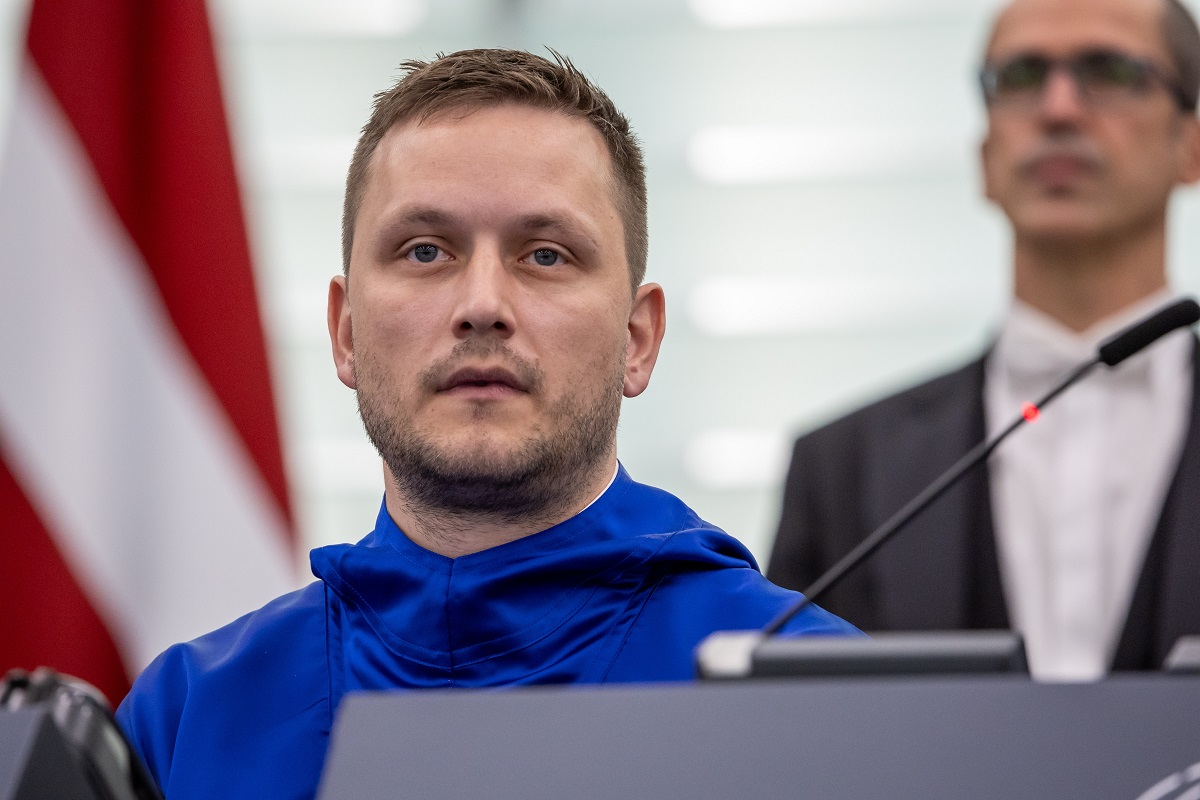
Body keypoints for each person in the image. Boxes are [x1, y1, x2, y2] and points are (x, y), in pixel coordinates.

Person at [115, 49, 858, 799]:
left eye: (546, 255)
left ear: (637, 340)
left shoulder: (829, 710)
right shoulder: (182, 721)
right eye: (425, 251)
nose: (482, 305)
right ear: (345, 333)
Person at [768, 0, 1200, 682]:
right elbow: (794, 729)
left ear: (1191, 145)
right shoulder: (841, 468)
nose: (1058, 109)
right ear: (985, 156)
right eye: (1021, 77)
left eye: (1111, 71)